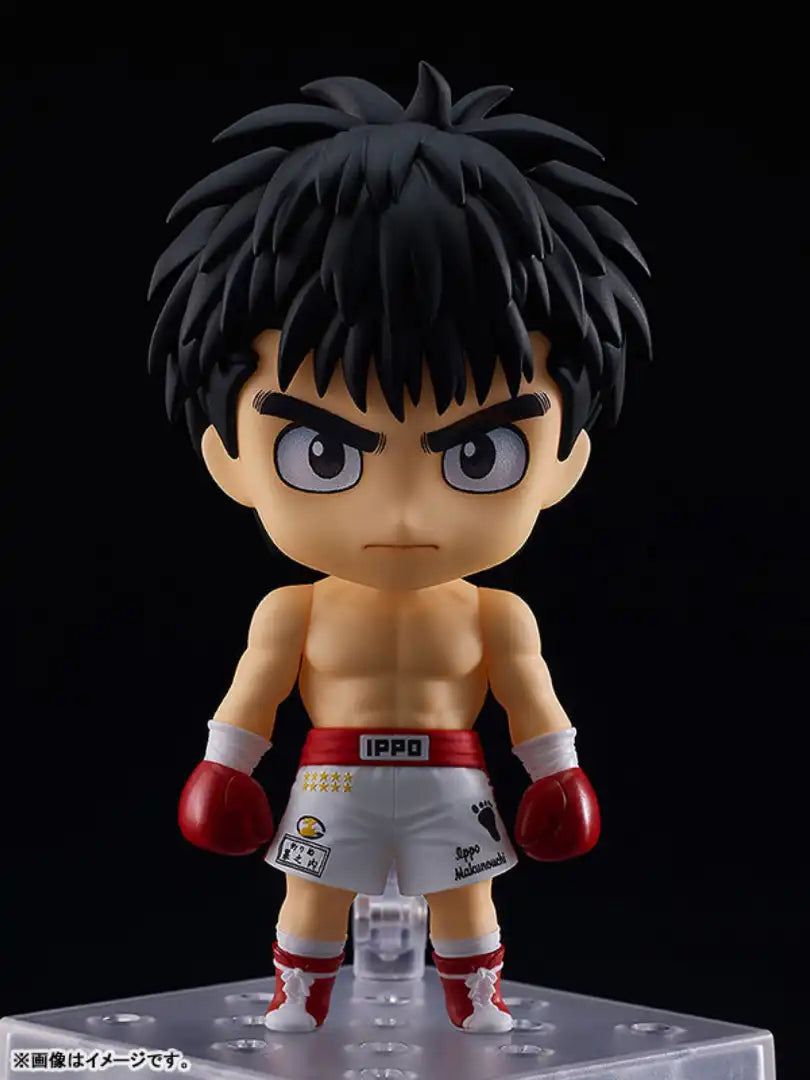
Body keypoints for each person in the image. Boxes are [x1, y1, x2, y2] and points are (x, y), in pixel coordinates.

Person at [149, 61, 651, 1034]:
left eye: (479, 454)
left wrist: (558, 771)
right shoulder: (293, 610)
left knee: (467, 893)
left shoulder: (495, 613)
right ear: (229, 459)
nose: (408, 512)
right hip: (333, 769)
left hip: (449, 770)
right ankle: (300, 998)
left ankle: (475, 1001)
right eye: (323, 452)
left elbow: (531, 700)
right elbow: (253, 695)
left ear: (563, 464)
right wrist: (224, 766)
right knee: (311, 892)